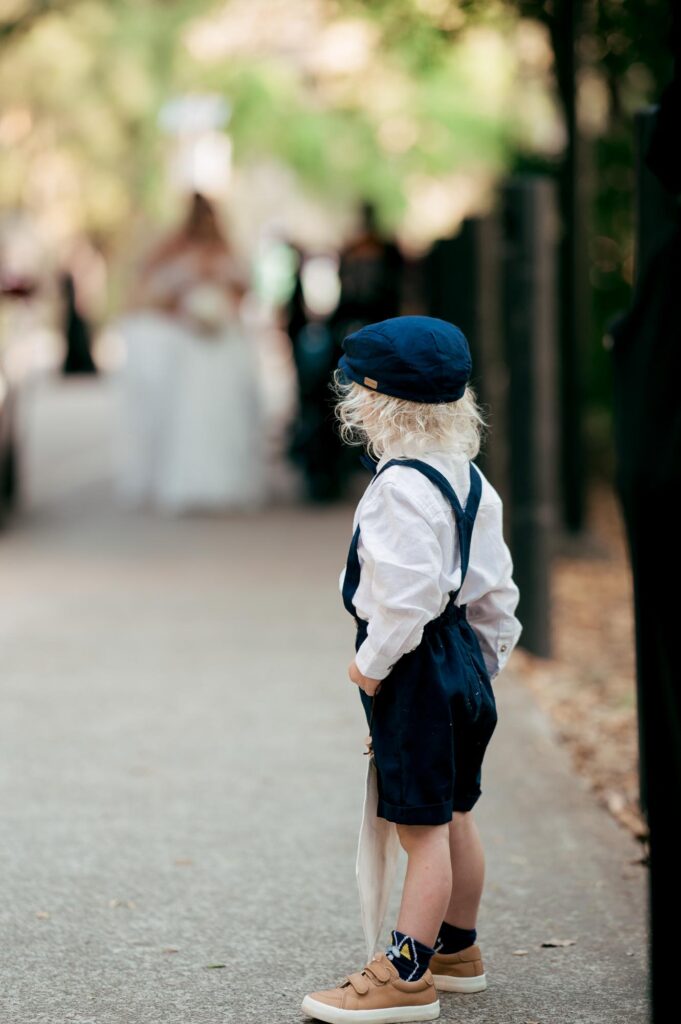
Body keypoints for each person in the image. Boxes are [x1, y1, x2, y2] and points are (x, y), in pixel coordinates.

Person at [301, 316, 522, 1024]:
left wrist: (369, 668)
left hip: (414, 667)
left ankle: (405, 973)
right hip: (460, 659)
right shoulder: (470, 480)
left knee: (418, 827)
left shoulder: (397, 489)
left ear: (370, 405)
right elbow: (496, 592)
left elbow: (404, 604)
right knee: (454, 810)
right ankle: (457, 949)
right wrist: (483, 666)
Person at [116, 193, 265, 512]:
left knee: (227, 413)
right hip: (193, 343)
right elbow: (153, 293)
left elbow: (245, 289)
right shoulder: (173, 251)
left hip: (223, 339)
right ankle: (192, 481)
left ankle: (229, 482)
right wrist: (188, 310)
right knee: (192, 413)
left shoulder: (227, 250)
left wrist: (222, 305)